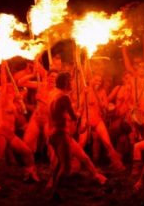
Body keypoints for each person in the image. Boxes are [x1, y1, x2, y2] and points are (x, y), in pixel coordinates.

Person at [0, 60, 39, 191]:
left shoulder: (15, 100)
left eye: (12, 86)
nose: (11, 87)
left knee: (27, 152)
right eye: (10, 85)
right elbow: (3, 80)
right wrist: (3, 66)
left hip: (10, 134)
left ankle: (29, 173)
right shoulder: (4, 96)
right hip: (1, 133)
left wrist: (20, 102)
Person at [78, 72, 126, 171]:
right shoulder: (85, 90)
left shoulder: (102, 91)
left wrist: (103, 104)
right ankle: (74, 164)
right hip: (86, 118)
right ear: (91, 81)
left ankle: (117, 164)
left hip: (98, 119)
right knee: (81, 143)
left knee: (107, 143)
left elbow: (106, 107)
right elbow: (80, 104)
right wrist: (85, 94)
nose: (98, 83)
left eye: (99, 81)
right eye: (96, 80)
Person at [47, 71, 80, 202]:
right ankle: (55, 193)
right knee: (66, 166)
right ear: (66, 82)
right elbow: (74, 117)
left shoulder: (52, 94)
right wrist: (79, 113)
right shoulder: (64, 98)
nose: (72, 83)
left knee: (59, 162)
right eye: (71, 80)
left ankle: (54, 188)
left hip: (52, 134)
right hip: (61, 134)